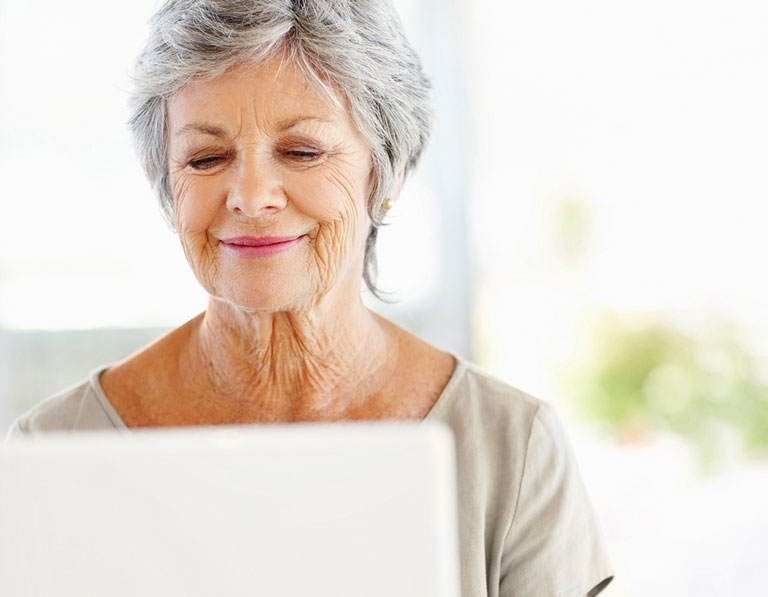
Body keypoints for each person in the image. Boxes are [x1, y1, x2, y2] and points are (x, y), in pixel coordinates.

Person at [6, 1, 613, 595]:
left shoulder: (511, 446)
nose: (250, 195)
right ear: (168, 187)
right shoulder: (55, 449)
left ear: (386, 173)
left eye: (301, 151)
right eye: (206, 157)